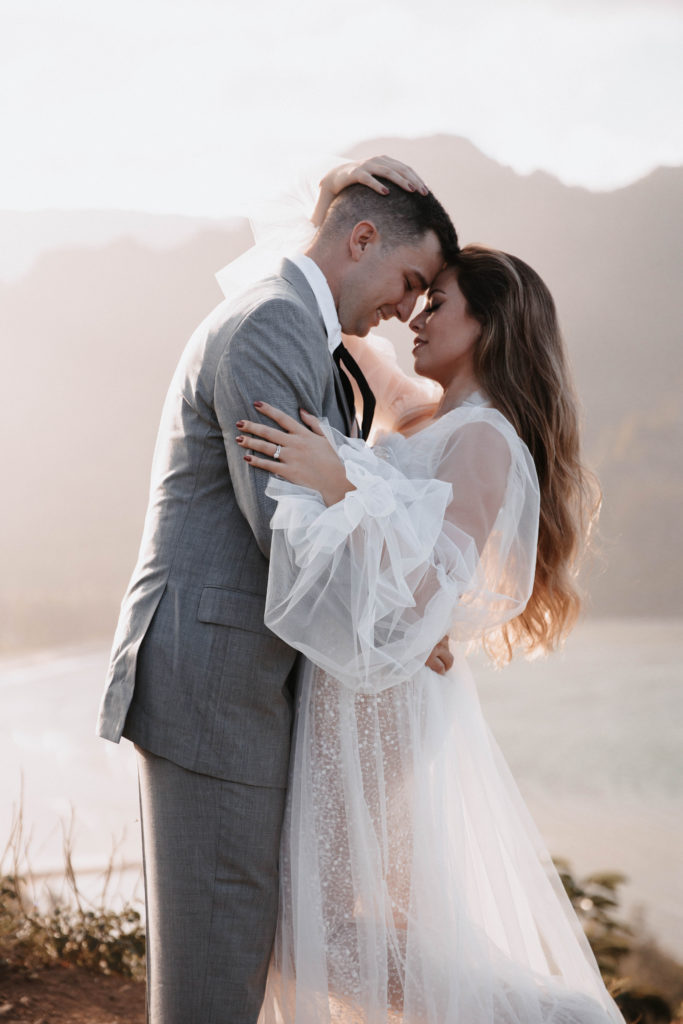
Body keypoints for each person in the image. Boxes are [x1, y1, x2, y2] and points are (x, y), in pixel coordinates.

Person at [95, 157, 459, 1023]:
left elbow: (328, 502)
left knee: (231, 947)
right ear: (360, 239)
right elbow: (293, 535)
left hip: (229, 683)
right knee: (216, 965)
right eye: (408, 283)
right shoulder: (270, 325)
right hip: (214, 688)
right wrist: (403, 623)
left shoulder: (304, 328)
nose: (404, 311)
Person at [236, 250, 626, 1022]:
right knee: (381, 911)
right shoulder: (418, 410)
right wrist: (337, 186)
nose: (411, 319)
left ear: (488, 323)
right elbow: (318, 290)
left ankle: (562, 1018)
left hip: (383, 698)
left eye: (435, 303)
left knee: (312, 927)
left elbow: (429, 579)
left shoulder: (484, 437)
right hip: (357, 680)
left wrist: (339, 481)